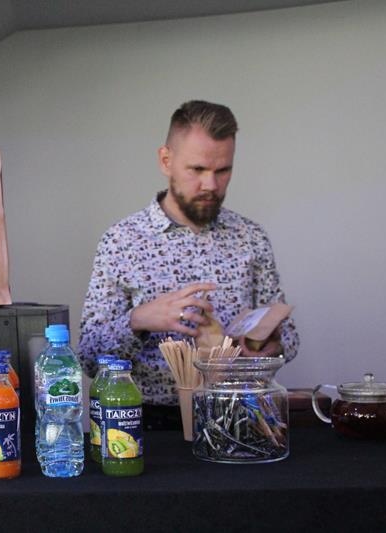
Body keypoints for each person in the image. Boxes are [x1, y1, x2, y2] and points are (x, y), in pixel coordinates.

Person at [77, 100, 299, 429]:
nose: (211, 185)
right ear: (166, 161)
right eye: (197, 169)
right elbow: (88, 358)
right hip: (146, 426)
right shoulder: (121, 241)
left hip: (238, 421)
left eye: (223, 171)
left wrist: (271, 347)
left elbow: (289, 339)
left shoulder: (251, 238)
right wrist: (139, 320)